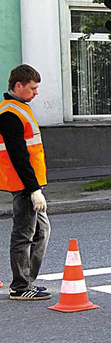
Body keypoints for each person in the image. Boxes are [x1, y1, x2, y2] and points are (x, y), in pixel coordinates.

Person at [0, 64, 51, 300]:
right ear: (18, 86)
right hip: (24, 186)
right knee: (24, 235)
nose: (36, 92)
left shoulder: (20, 107)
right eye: (33, 88)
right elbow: (18, 156)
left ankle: (26, 281)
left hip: (30, 185)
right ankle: (20, 287)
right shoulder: (10, 114)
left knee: (42, 231)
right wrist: (33, 190)